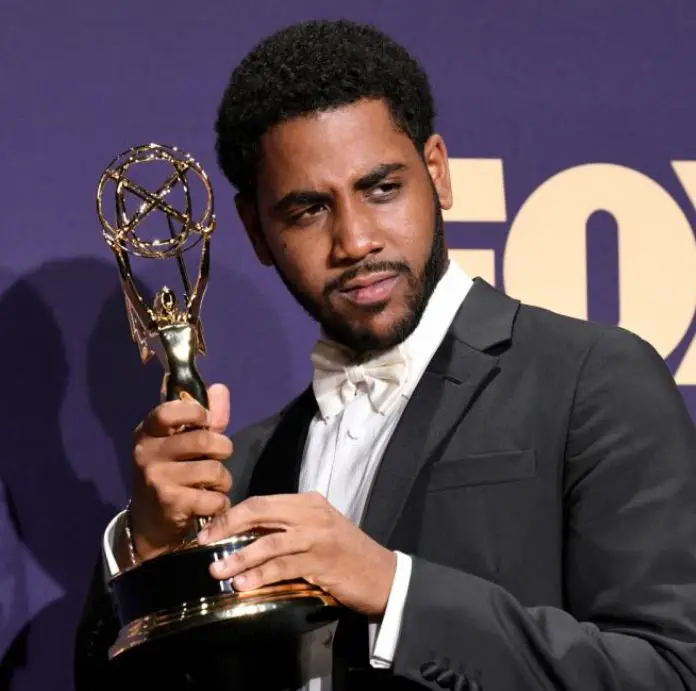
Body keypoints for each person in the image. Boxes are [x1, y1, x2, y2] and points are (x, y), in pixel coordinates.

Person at [74, 18, 696, 691]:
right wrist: (148, 549)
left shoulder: (592, 381)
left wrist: (394, 589)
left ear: (437, 172)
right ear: (256, 230)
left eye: (381, 188)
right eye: (309, 209)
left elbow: (671, 669)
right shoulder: (246, 471)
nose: (356, 239)